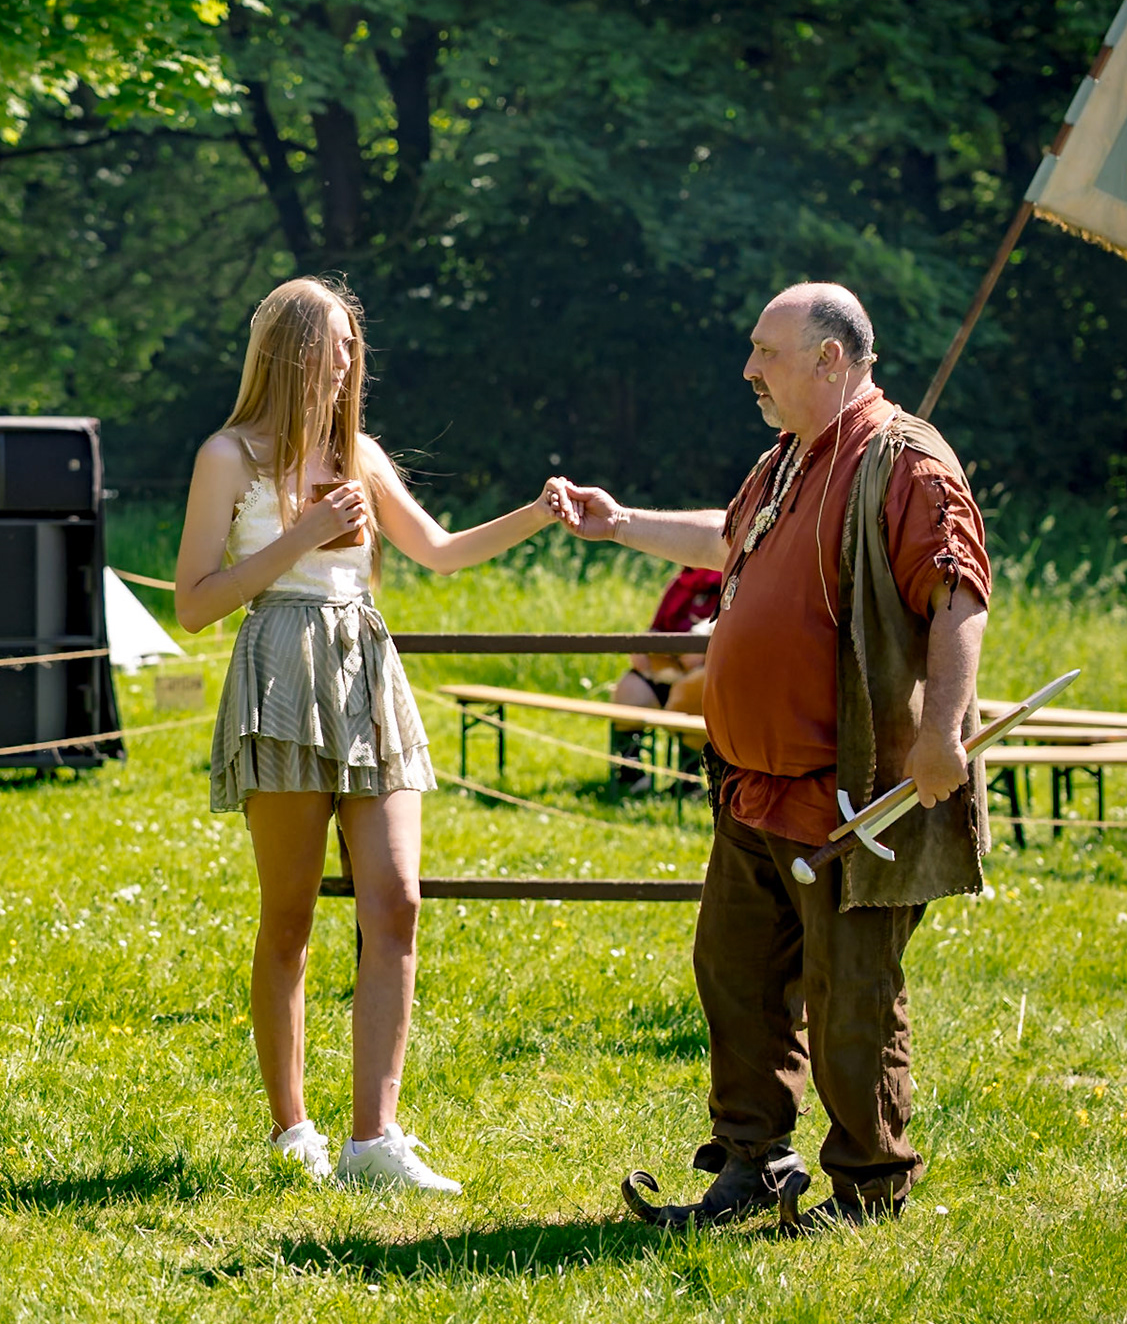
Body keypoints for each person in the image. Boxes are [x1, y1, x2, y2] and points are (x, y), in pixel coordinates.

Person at [555, 282, 990, 1229]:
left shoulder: (906, 465)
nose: (750, 370)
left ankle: (870, 1188)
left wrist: (942, 731)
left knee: (851, 999)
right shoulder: (788, 459)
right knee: (737, 978)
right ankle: (752, 1164)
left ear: (831, 359)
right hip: (754, 793)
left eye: (768, 353)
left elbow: (958, 593)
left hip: (853, 797)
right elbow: (728, 538)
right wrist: (620, 522)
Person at [174, 277, 565, 1192]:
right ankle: (293, 1127)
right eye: (335, 347)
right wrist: (300, 536)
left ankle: (373, 1141)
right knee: (291, 918)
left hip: (366, 669)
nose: (350, 364)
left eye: (355, 347)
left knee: (397, 902)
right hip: (279, 664)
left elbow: (438, 550)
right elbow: (195, 603)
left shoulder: (364, 455)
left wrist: (539, 512)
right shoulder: (229, 455)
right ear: (289, 352)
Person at [608, 567, 721, 788]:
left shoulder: (741, 578)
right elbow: (657, 628)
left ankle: (688, 778)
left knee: (693, 691)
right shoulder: (680, 584)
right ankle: (631, 770)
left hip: (708, 674)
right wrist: (645, 645)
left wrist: (705, 640)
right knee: (629, 690)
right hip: (665, 669)